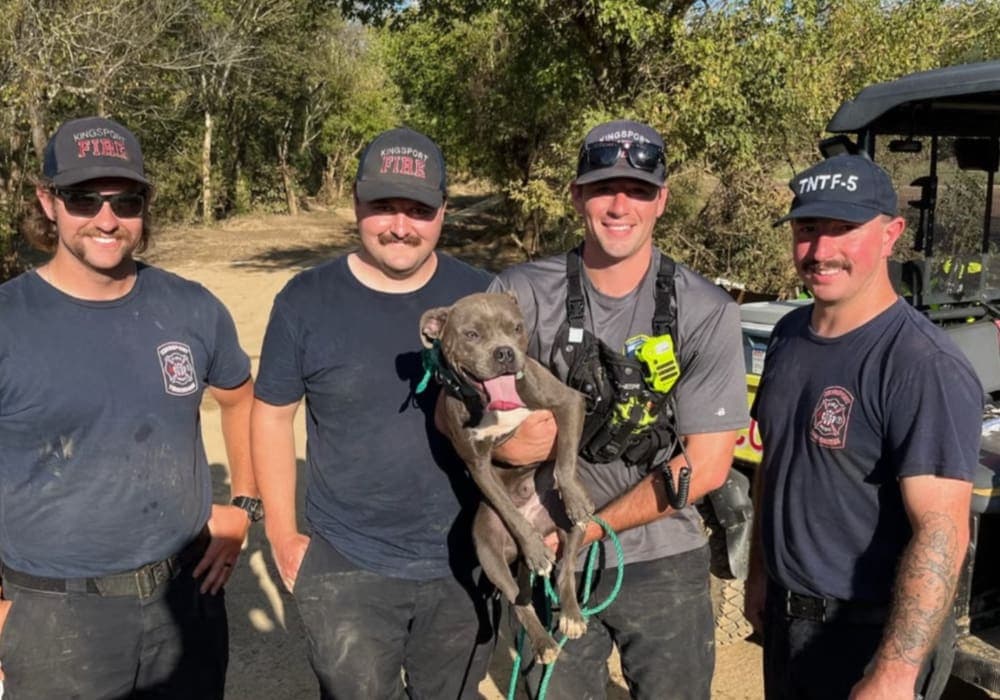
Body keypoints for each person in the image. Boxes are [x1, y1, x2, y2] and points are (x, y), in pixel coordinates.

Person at [490, 119, 749, 699]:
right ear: (578, 194)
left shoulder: (705, 309)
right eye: (604, 187)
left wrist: (588, 532)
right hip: (543, 552)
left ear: (662, 200)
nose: (619, 205)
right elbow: (472, 422)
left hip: (663, 557)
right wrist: (512, 442)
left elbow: (705, 467)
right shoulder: (521, 294)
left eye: (637, 190)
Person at [0, 116, 258, 698]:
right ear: (48, 201)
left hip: (185, 601)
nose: (107, 219)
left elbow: (240, 397)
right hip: (53, 614)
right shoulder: (9, 322)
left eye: (126, 200)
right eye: (83, 198)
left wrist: (244, 504)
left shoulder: (192, 308)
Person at [251, 127, 494, 698]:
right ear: (356, 204)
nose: (401, 226)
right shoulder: (305, 300)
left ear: (443, 212)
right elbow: (270, 415)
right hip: (347, 562)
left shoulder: (480, 296)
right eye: (383, 207)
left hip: (465, 556)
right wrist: (283, 535)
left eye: (418, 209)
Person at [744, 153, 983, 699]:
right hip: (788, 618)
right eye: (808, 229)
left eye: (844, 229)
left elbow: (942, 530)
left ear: (891, 234)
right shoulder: (786, 335)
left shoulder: (922, 365)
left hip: (870, 633)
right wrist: (761, 572)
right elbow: (775, 467)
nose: (821, 251)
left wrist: (895, 671)